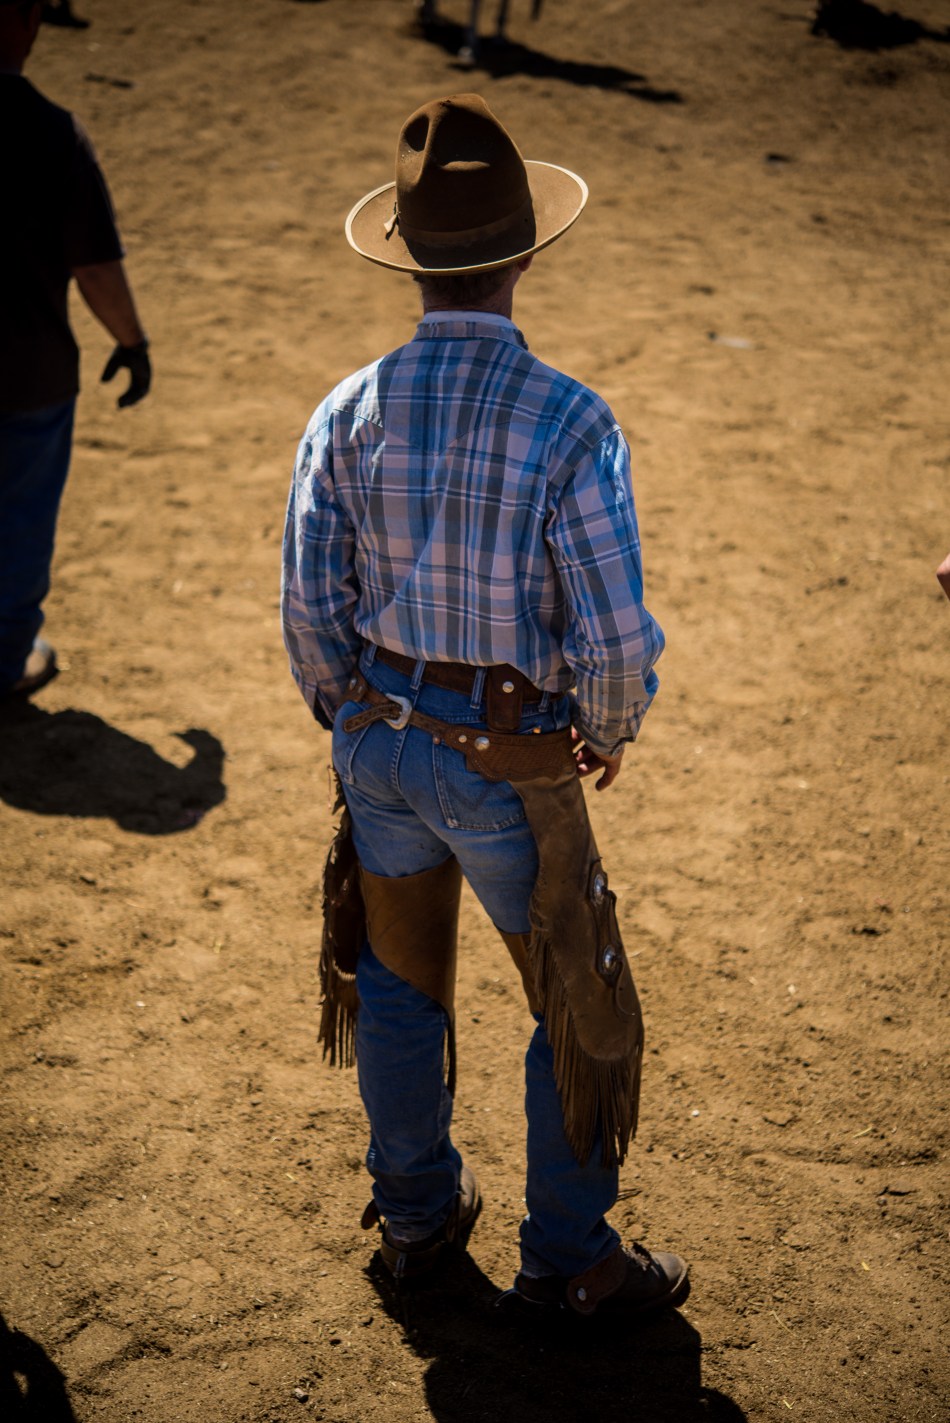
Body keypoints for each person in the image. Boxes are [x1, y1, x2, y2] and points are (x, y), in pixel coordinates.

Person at [282, 93, 688, 1317]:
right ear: (521, 253)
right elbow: (609, 631)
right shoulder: (569, 420)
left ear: (409, 258)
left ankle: (414, 1218)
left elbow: (310, 602)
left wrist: (351, 713)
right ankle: (568, 1261)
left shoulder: (344, 409)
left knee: (400, 985)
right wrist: (605, 730)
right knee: (575, 994)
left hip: (382, 743)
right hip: (512, 755)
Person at [0, 0, 150, 698]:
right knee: (19, 523)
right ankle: (3, 663)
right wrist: (132, 341)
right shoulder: (51, 133)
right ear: (22, 20)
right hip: (26, 374)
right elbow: (94, 266)